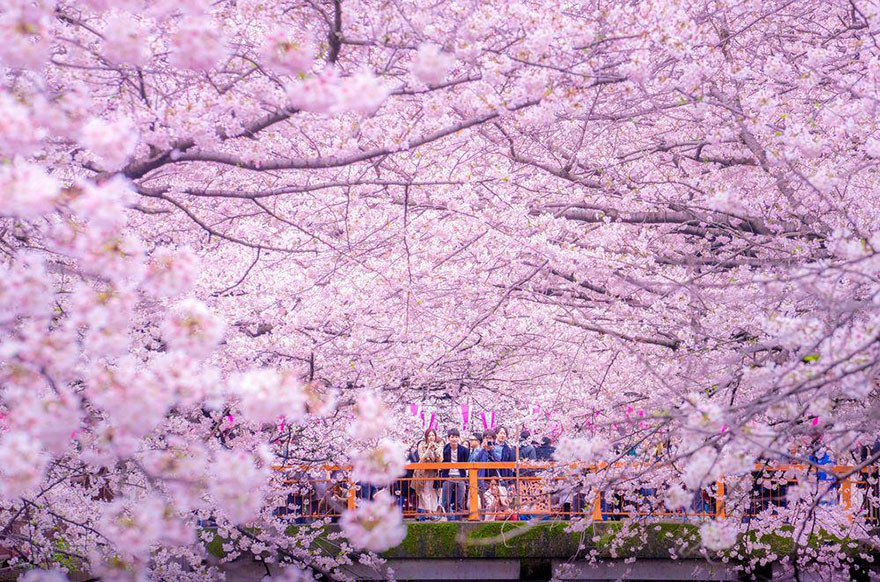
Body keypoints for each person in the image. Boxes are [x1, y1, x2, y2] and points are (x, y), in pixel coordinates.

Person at [441, 428, 470, 519]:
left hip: (460, 476)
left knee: (459, 501)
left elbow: (466, 462)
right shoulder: (444, 449)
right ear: (448, 438)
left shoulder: (464, 450)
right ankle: (450, 519)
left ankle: (459, 520)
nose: (454, 439)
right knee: (446, 501)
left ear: (459, 438)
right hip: (448, 476)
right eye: (452, 437)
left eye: (456, 437)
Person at [414, 429, 443, 517]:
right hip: (423, 472)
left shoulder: (438, 446)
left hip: (433, 473)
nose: (431, 437)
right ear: (426, 437)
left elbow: (440, 460)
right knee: (425, 491)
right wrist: (428, 449)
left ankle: (433, 510)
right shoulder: (422, 446)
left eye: (433, 435)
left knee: (434, 492)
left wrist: (436, 452)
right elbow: (421, 458)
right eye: (429, 435)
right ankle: (429, 511)